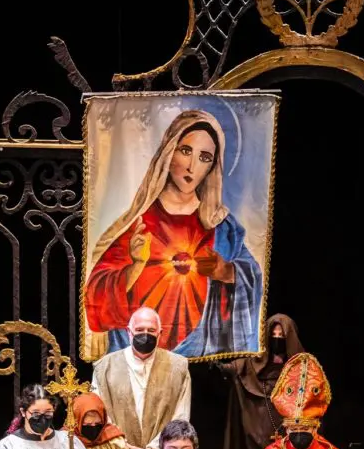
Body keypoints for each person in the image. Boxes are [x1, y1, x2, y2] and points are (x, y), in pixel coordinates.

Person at [84, 110, 263, 359]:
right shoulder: (139, 223)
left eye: (205, 158)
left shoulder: (220, 226)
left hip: (201, 359)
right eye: (186, 151)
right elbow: (95, 297)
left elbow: (252, 276)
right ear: (169, 151)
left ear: (212, 167)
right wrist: (135, 266)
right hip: (136, 356)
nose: (192, 166)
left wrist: (227, 272)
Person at [218, 314, 304, 449]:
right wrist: (218, 365)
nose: (276, 338)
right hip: (255, 436)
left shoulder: (301, 369)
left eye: (281, 334)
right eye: (272, 333)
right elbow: (235, 368)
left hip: (289, 440)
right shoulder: (252, 365)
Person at [91, 307, 192, 449]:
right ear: (129, 332)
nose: (145, 334)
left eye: (151, 330)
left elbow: (181, 417)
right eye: (139, 330)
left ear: (160, 333)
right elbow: (99, 416)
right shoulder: (104, 368)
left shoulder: (178, 367)